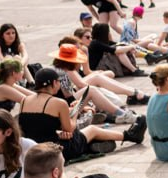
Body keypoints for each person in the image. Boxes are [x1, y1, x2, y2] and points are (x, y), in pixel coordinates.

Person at [17, 68, 145, 161]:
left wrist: (60, 132)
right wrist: (76, 110)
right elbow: (70, 129)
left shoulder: (24, 100)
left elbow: (36, 125)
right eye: (59, 82)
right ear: (55, 83)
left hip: (33, 150)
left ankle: (91, 145)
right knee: (92, 129)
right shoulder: (58, 102)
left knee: (81, 135)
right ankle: (131, 136)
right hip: (54, 151)